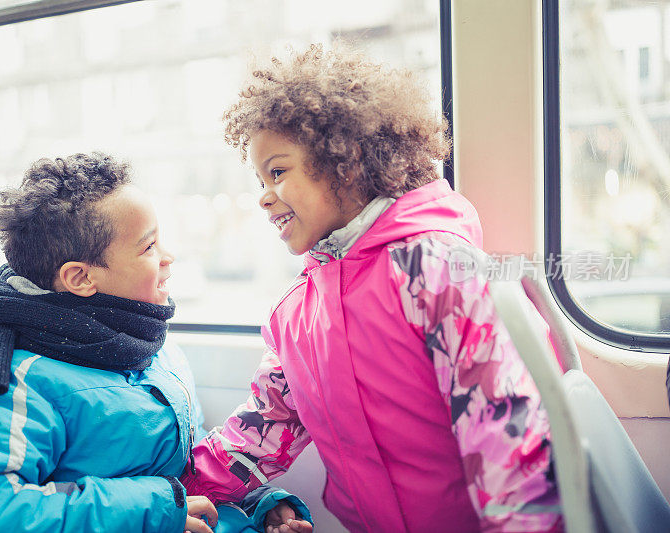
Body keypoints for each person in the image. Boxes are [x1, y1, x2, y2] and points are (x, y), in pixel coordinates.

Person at [181, 45, 565, 532]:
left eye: (277, 172)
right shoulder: (297, 313)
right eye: (259, 178)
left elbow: (508, 441)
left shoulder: (434, 270)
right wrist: (166, 497)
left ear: (346, 161)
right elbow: (264, 430)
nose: (262, 196)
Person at [0, 152, 312, 533]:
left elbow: (184, 469)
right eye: (148, 247)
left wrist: (257, 504)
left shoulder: (153, 349)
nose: (168, 257)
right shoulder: (21, 383)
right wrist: (156, 508)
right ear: (80, 278)